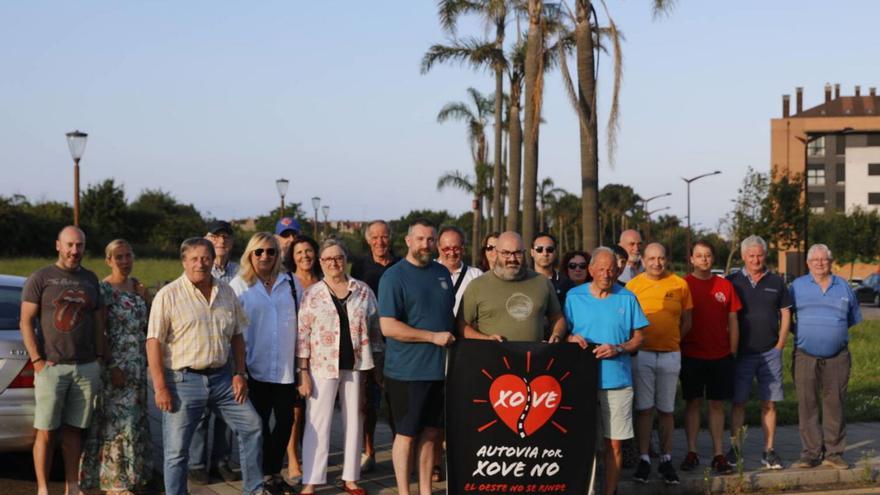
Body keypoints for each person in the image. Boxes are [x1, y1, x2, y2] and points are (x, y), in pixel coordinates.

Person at [146, 237, 266, 495]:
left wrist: (239, 373)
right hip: (182, 381)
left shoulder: (226, 291)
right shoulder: (168, 295)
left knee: (252, 426)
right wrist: (159, 387)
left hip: (223, 379)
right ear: (184, 261)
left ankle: (254, 490)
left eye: (205, 258)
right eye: (194, 258)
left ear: (213, 260)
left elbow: (237, 335)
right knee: (177, 451)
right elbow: (153, 342)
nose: (200, 263)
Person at [20, 226, 107, 495]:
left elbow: (99, 322)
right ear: (58, 245)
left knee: (74, 432)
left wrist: (100, 359)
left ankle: (72, 485)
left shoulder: (91, 279)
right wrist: (37, 360)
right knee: (45, 431)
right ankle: (43, 489)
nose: (74, 251)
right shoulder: (41, 278)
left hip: (85, 367)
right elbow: (25, 321)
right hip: (52, 368)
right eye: (69, 245)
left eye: (79, 245)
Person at [297, 239, 380, 495]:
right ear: (321, 263)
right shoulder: (312, 294)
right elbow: (303, 334)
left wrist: (375, 366)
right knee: (317, 421)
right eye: (328, 259)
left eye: (339, 257)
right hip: (321, 366)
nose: (334, 263)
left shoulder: (363, 290)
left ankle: (351, 478)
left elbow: (375, 329)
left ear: (346, 260)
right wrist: (303, 372)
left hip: (356, 364)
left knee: (355, 418)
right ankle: (311, 480)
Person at [378, 219, 455, 495]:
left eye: (431, 239)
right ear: (408, 241)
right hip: (407, 372)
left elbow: (448, 318)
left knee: (432, 434)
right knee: (407, 434)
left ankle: (424, 490)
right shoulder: (393, 276)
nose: (426, 244)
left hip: (440, 370)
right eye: (420, 239)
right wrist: (432, 337)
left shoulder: (442, 274)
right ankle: (403, 490)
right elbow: (388, 326)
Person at [565, 247, 648, 495]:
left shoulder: (628, 297)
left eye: (611, 268)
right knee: (583, 444)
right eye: (601, 268)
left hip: (618, 382)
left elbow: (640, 338)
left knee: (614, 445)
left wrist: (619, 348)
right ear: (590, 270)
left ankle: (609, 492)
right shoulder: (573, 297)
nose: (606, 273)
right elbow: (561, 333)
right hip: (582, 382)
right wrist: (569, 337)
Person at [229, 233, 301, 494]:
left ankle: (272, 471)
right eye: (259, 252)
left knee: (285, 423)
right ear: (250, 254)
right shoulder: (239, 285)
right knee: (258, 425)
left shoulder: (290, 282)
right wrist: (237, 370)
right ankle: (266, 475)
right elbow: (232, 328)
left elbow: (302, 324)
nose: (265, 256)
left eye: (270, 251)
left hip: (283, 368)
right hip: (252, 367)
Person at [80, 239, 154, 493]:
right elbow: (100, 330)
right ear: (109, 260)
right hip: (116, 366)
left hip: (138, 366)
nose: (124, 261)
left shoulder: (137, 287)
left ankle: (134, 476)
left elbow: (148, 327)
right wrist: (111, 365)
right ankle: (115, 482)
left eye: (128, 256)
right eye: (119, 257)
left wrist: (147, 297)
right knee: (117, 424)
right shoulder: (104, 290)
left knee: (135, 422)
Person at [789, 244, 862, 470]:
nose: (820, 263)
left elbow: (851, 318)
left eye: (824, 259)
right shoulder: (797, 287)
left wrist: (832, 333)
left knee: (835, 404)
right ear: (808, 263)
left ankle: (834, 453)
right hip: (805, 355)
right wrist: (804, 334)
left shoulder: (844, 287)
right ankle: (811, 453)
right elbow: (785, 316)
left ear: (831, 262)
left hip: (837, 357)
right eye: (815, 260)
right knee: (807, 404)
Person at [626, 242, 692, 485]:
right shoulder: (633, 286)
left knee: (666, 410)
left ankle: (665, 459)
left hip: (670, 354)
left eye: (661, 258)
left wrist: (672, 340)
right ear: (643, 260)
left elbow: (687, 321)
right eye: (651, 258)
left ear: (667, 259)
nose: (657, 263)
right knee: (644, 409)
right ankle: (644, 458)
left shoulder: (680, 284)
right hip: (642, 355)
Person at [726, 235, 792, 470]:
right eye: (751, 255)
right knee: (738, 403)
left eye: (759, 255)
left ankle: (769, 450)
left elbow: (785, 313)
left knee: (769, 404)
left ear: (765, 255)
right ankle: (734, 450)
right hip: (742, 353)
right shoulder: (732, 281)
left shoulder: (777, 281)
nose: (755, 259)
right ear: (744, 256)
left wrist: (780, 344)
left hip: (769, 353)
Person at [678, 241, 741, 475]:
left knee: (717, 404)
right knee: (693, 402)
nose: (704, 259)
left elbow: (733, 320)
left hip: (720, 354)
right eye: (699, 255)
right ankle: (692, 451)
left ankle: (718, 453)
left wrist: (732, 351)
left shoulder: (725, 286)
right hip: (691, 354)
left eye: (707, 255)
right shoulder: (683, 285)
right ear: (692, 259)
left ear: (712, 258)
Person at [189, 219, 242, 484]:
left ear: (231, 243)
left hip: (229, 351)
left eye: (226, 237)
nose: (221, 241)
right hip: (201, 350)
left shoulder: (241, 272)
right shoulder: (198, 270)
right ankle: (196, 463)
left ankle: (221, 461)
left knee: (227, 412)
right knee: (199, 412)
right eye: (215, 236)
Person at [350, 219, 398, 473]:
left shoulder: (401, 264)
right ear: (368, 240)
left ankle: (399, 448)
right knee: (368, 401)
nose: (380, 242)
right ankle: (369, 451)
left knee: (395, 400)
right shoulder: (359, 267)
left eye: (384, 237)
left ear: (390, 238)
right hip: (368, 342)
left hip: (396, 342)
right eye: (375, 237)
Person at [458, 231, 567, 343]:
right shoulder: (477, 285)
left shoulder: (542, 282)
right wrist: (485, 340)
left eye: (517, 253)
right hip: (491, 357)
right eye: (506, 253)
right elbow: (461, 325)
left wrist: (557, 335)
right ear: (496, 253)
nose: (512, 259)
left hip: (533, 358)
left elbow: (557, 317)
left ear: (524, 253)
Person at [284, 234, 320, 483]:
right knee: (295, 411)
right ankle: (293, 459)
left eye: (308, 251)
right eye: (299, 252)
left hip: (322, 354)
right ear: (292, 257)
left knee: (316, 410)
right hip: (294, 352)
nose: (305, 256)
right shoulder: (287, 282)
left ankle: (314, 455)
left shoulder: (323, 280)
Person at [436, 226, 483, 314]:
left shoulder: (476, 275)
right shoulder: (428, 272)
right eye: (446, 249)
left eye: (456, 248)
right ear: (439, 248)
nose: (452, 253)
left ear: (463, 248)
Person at [530, 232, 573, 306]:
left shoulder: (566, 284)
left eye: (550, 249)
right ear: (532, 252)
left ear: (555, 252)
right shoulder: (522, 281)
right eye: (539, 249)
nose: (545, 253)